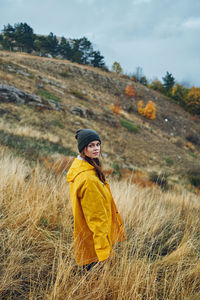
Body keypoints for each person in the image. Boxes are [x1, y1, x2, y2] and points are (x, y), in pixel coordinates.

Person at [66, 129, 126, 271]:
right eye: (91, 145)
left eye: (98, 144)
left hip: (88, 242)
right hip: (94, 250)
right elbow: (96, 218)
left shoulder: (87, 169)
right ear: (83, 149)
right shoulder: (88, 179)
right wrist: (104, 253)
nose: (96, 148)